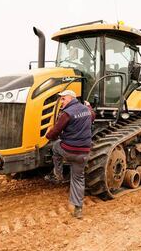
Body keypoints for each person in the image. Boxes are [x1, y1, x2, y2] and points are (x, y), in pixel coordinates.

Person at [45, 90, 96, 219]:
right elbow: (93, 116)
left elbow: (55, 132)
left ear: (70, 98)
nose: (61, 102)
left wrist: (48, 134)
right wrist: (89, 105)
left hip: (68, 150)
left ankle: (58, 174)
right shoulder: (86, 110)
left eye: (63, 99)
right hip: (83, 153)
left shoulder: (66, 114)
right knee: (78, 179)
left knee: (56, 146)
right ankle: (78, 209)